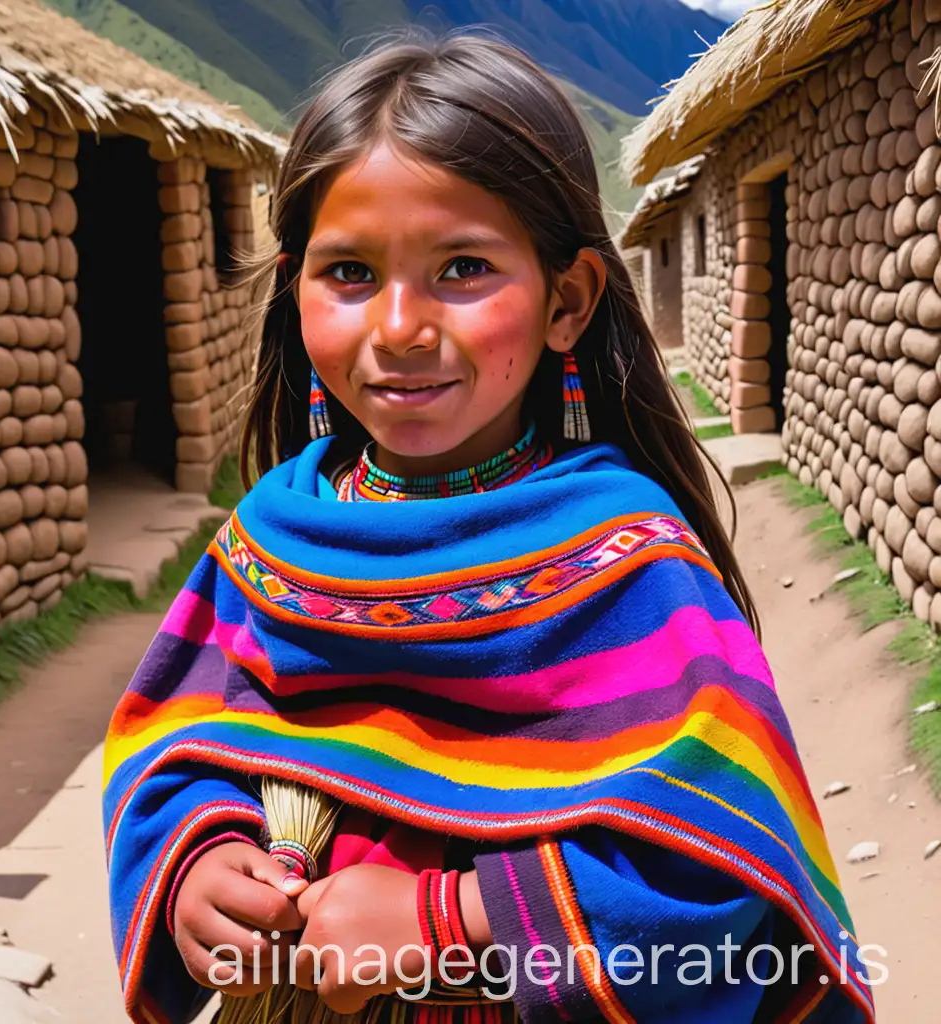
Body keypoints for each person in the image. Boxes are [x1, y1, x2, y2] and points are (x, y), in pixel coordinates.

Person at [103, 33, 876, 1024]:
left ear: (566, 301)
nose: (398, 325)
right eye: (348, 272)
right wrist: (199, 869)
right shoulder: (270, 540)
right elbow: (168, 752)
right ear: (295, 289)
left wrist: (445, 915)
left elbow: (716, 876)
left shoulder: (627, 565)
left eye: (461, 267)